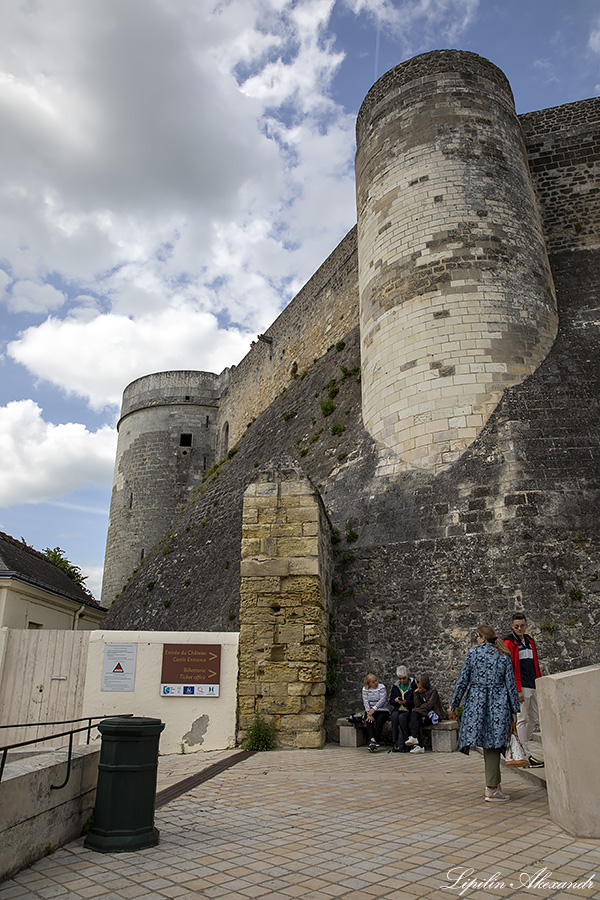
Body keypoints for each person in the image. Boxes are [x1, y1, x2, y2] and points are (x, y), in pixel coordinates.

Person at [449, 625, 520, 802]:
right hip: (498, 702)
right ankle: (492, 787)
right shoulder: (503, 657)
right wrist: (514, 709)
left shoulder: (473, 654)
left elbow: (463, 680)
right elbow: (511, 685)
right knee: (494, 742)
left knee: (489, 743)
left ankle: (493, 784)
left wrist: (454, 702)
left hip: (477, 701)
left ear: (481, 637)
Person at [504, 613, 544, 768]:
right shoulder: (510, 642)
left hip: (532, 683)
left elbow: (535, 663)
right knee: (522, 718)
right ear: (512, 626)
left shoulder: (530, 641)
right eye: (516, 626)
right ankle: (525, 753)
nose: (520, 628)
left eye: (522, 625)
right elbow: (511, 667)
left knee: (534, 717)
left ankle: (523, 746)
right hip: (522, 686)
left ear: (526, 625)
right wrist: (517, 689)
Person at [405, 673, 445, 753]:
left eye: (420, 686)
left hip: (433, 714)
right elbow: (417, 704)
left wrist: (417, 709)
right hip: (423, 713)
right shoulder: (419, 692)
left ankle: (418, 743)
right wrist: (416, 694)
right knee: (415, 719)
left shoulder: (433, 692)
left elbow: (429, 705)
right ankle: (417, 742)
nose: (419, 688)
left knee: (415, 717)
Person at [388, 666, 416, 752]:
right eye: (400, 679)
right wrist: (396, 700)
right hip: (398, 708)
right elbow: (391, 700)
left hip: (409, 709)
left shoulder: (413, 686)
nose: (402, 681)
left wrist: (406, 702)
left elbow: (415, 702)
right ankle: (395, 741)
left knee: (402, 718)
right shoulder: (396, 686)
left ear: (407, 676)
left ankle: (406, 741)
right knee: (394, 716)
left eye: (404, 678)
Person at [362, 673, 390, 752]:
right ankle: (372, 740)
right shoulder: (365, 689)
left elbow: (382, 700)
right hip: (370, 710)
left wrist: (374, 709)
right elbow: (366, 701)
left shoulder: (381, 687)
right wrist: (369, 713)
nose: (376, 683)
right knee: (369, 720)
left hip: (382, 710)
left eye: (376, 681)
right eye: (373, 682)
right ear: (369, 684)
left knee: (379, 721)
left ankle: (375, 740)